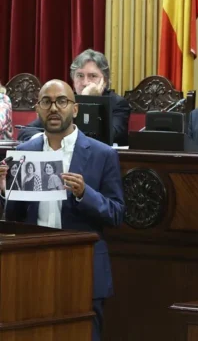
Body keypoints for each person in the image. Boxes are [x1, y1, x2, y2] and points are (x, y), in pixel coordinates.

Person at [0, 79, 125, 341]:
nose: (54, 108)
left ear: (75, 109)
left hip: (83, 268)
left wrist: (84, 194)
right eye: (46, 102)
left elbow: (116, 214)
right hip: (33, 265)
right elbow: (12, 218)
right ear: (37, 108)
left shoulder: (102, 154)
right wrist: (4, 190)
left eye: (62, 101)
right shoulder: (24, 153)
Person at [17, 49, 131, 146]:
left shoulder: (118, 104)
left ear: (104, 81)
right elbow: (25, 132)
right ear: (73, 79)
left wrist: (89, 101)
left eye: (93, 76)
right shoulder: (63, 101)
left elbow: (105, 138)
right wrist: (47, 138)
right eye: (80, 76)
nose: (85, 82)